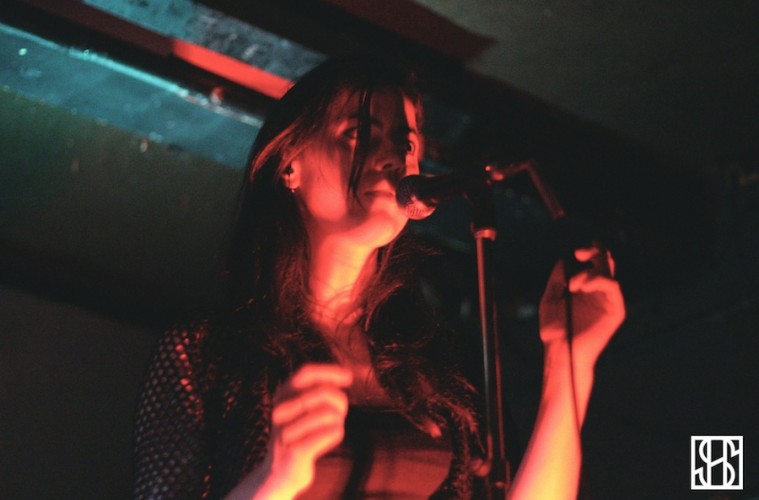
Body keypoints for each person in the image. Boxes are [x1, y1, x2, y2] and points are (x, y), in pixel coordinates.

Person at [132, 56, 625, 499]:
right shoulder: (206, 350)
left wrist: (569, 362)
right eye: (360, 133)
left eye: (405, 143)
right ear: (289, 165)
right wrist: (274, 479)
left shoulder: (442, 367)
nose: (394, 158)